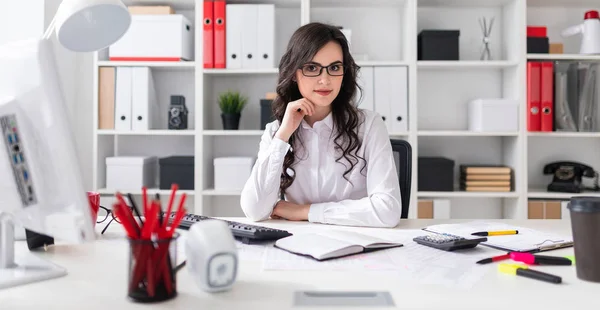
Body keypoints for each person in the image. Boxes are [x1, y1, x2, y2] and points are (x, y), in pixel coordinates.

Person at [239, 22, 402, 228]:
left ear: (344, 74)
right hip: (297, 244)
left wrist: (305, 212)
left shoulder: (369, 125)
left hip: (357, 242)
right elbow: (254, 210)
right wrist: (283, 135)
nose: (325, 80)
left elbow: (388, 211)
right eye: (312, 68)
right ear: (294, 74)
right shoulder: (276, 131)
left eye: (334, 67)